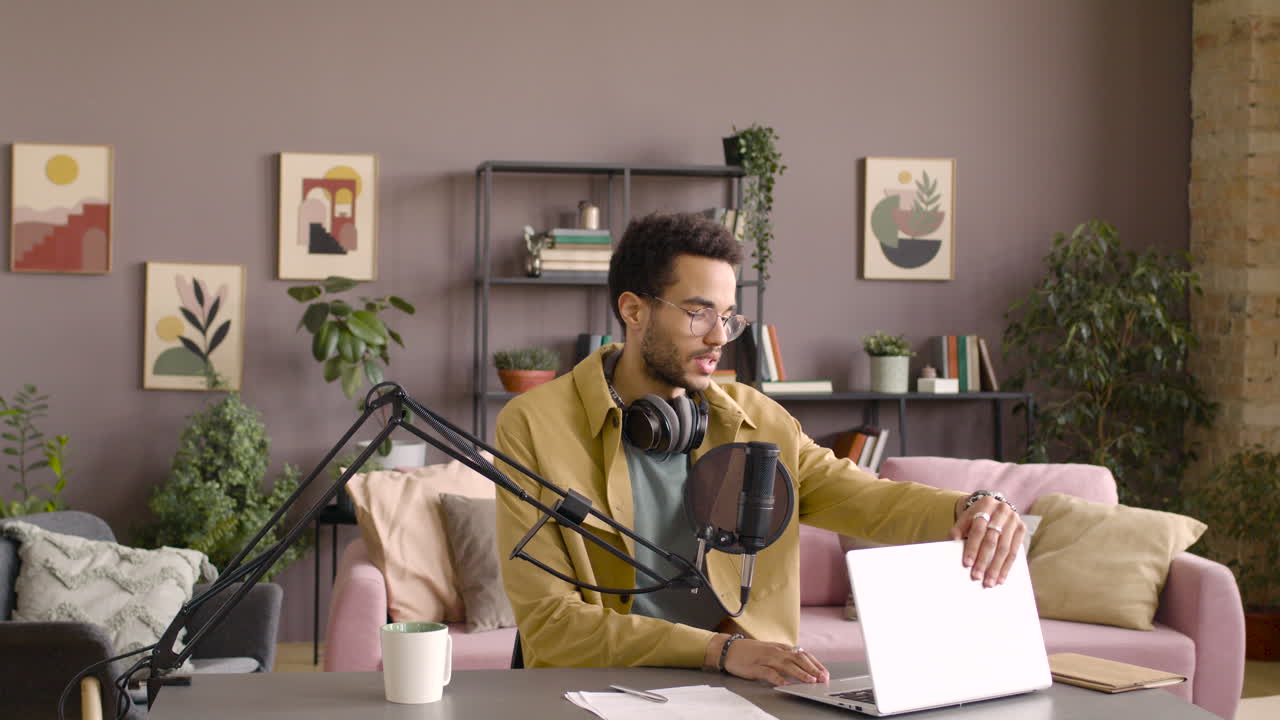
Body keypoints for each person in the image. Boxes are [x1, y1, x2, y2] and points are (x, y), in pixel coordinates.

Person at [494, 212, 1026, 686]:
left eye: (728, 317)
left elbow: (869, 500)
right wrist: (719, 651)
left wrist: (970, 507)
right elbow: (551, 625)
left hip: (744, 690)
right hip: (601, 689)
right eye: (699, 313)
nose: (719, 337)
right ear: (634, 310)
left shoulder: (759, 421)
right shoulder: (534, 426)